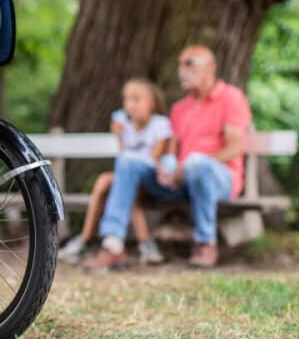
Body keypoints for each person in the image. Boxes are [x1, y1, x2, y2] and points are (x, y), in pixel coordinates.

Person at [89, 45, 252, 270]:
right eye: (180, 64)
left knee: (196, 162)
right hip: (180, 178)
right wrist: (165, 168)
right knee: (128, 160)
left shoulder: (231, 98)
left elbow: (234, 148)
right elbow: (172, 151)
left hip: (220, 179)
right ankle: (112, 244)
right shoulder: (179, 108)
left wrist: (186, 165)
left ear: (211, 67)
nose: (181, 70)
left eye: (189, 63)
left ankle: (206, 242)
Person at [58, 78, 172, 265]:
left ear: (151, 102)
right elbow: (123, 158)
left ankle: (96, 241)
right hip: (130, 178)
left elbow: (154, 159)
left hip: (153, 177)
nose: (130, 105)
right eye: (127, 100)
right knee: (106, 181)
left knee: (122, 184)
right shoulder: (125, 126)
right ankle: (92, 240)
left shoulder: (160, 124)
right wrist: (120, 136)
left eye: (136, 99)